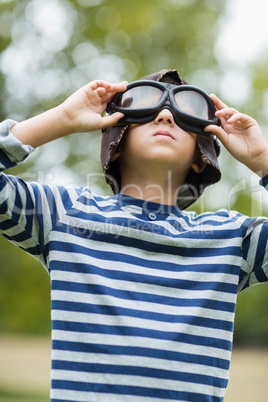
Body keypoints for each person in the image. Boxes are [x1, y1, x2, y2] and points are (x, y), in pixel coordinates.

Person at [0, 68, 268, 402]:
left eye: (186, 112)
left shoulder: (230, 240)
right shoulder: (66, 216)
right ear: (117, 139)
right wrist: (63, 118)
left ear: (201, 158)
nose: (167, 114)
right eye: (147, 105)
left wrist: (262, 160)